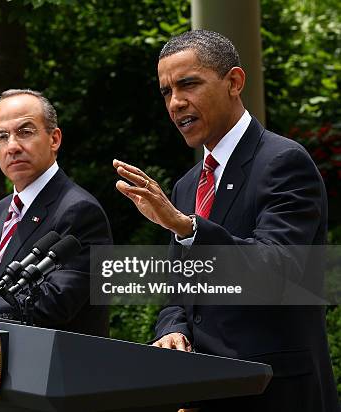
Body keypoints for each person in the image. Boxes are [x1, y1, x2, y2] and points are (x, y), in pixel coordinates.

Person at [113, 30, 338, 411]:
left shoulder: (284, 162)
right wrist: (172, 331)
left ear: (234, 82)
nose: (175, 102)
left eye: (188, 84)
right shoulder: (186, 186)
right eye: (166, 91)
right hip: (205, 393)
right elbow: (177, 295)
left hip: (274, 393)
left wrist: (188, 228)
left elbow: (278, 267)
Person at [0, 89, 113, 337]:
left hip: (62, 368)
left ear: (54, 139)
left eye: (25, 132)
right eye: (2, 137)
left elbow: (56, 303)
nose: (13, 146)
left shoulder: (80, 211)